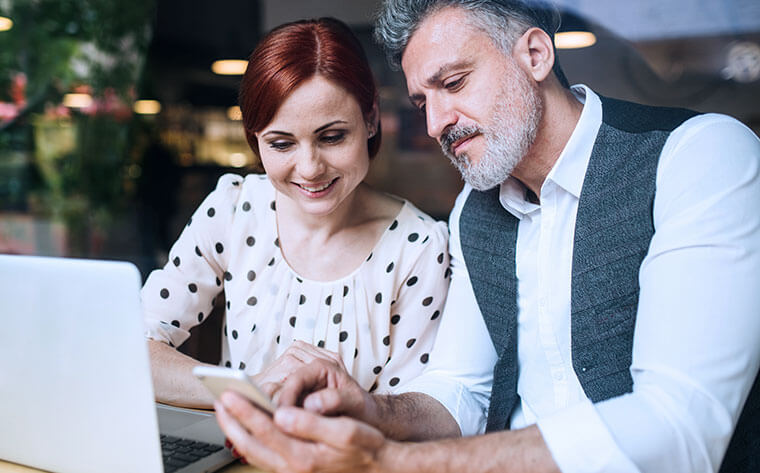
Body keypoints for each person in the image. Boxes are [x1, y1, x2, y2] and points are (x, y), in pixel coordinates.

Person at [213, 1, 760, 472]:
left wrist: (390, 461)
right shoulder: (474, 212)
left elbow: (681, 428)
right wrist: (374, 410)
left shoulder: (699, 157)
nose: (434, 123)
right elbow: (460, 393)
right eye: (423, 100)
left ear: (536, 55)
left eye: (453, 83)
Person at [141, 17, 450, 409]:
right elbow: (135, 347)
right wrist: (251, 387)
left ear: (371, 120)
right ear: (255, 140)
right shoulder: (234, 209)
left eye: (332, 136)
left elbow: (413, 416)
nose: (309, 168)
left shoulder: (418, 248)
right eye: (282, 144)